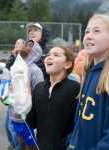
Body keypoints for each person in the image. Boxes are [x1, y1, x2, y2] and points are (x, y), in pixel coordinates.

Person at [67, 13, 109, 150]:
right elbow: (80, 120)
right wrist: (72, 142)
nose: (89, 35)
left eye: (96, 31)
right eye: (87, 31)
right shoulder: (89, 72)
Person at [26, 45, 80, 150]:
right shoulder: (39, 88)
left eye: (56, 55)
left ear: (68, 64)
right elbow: (32, 122)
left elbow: (78, 125)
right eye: (48, 54)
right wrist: (20, 103)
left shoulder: (75, 88)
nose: (49, 57)